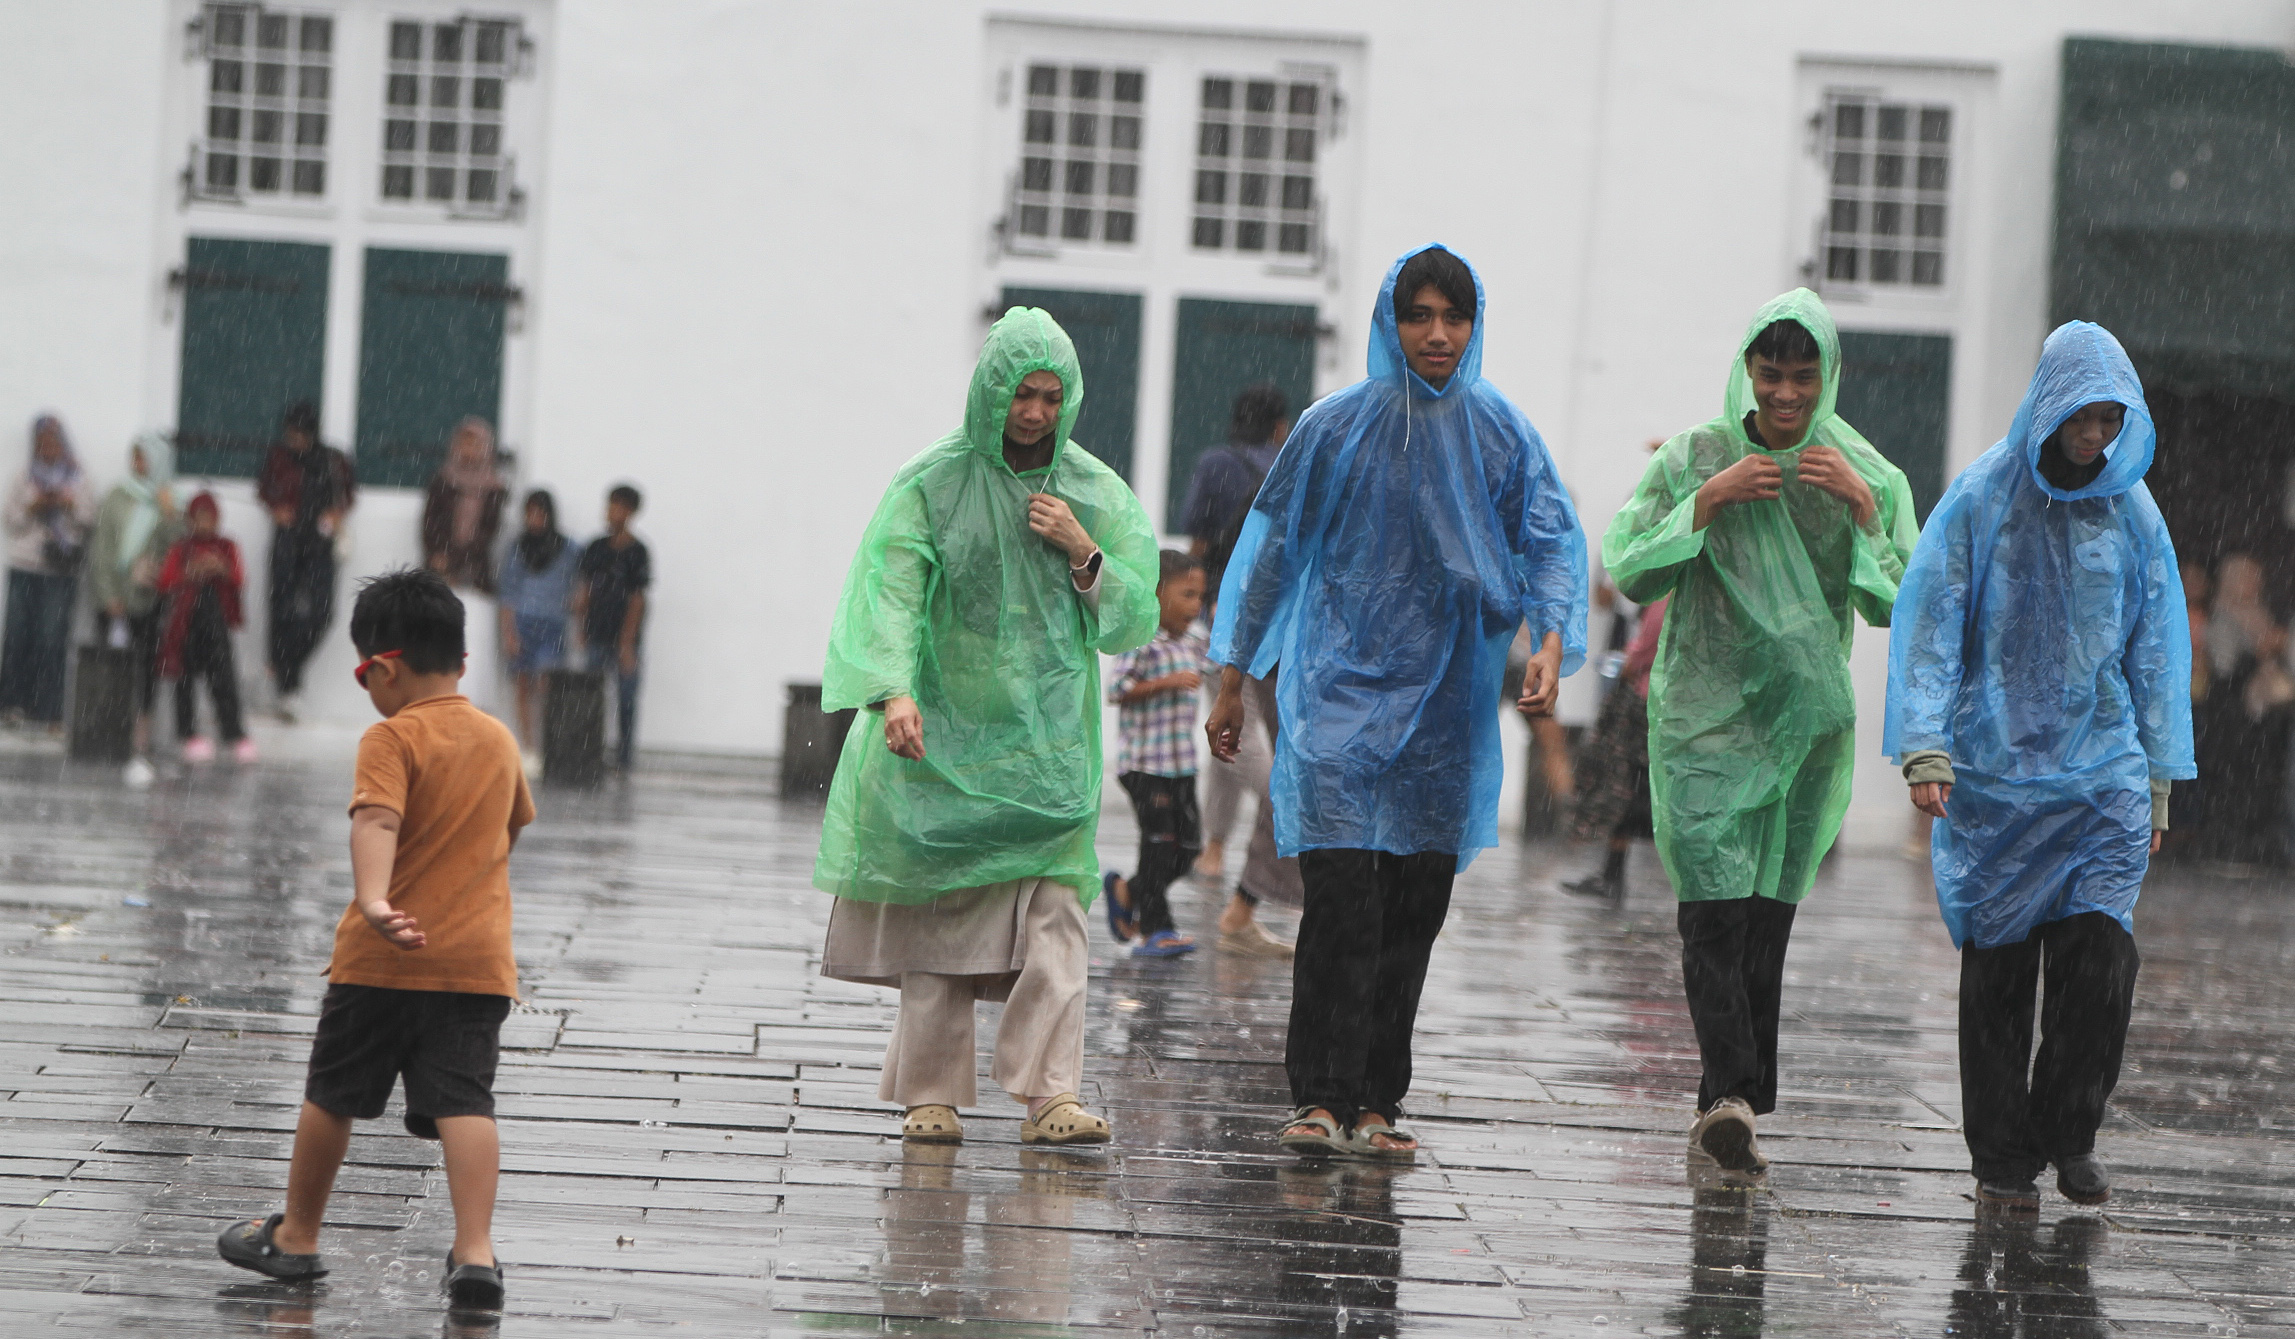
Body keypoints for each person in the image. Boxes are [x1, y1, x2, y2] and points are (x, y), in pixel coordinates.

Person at [1206, 244, 1588, 1160]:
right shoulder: (1335, 427)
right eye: (1418, 315)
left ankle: (1378, 1096)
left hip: (1445, 707)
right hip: (1336, 690)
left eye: (1452, 317)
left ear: (1473, 324)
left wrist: (1549, 637)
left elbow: (1549, 533)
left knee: (1413, 902)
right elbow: (1271, 552)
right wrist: (1230, 675)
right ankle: (1320, 1094)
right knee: (1340, 897)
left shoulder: (1499, 433)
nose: (1436, 334)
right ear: (1389, 321)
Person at [814, 306, 1158, 1147]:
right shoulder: (932, 483)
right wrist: (894, 689)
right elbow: (888, 591)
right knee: (939, 920)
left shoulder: (1093, 492)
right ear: (989, 392)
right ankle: (929, 1090)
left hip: (1046, 751)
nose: (1034, 413)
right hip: (945, 740)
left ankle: (1053, 1093)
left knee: (1056, 921)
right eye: (1019, 395)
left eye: (1049, 396)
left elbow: (1130, 616)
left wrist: (1084, 552)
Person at [1604, 289, 1916, 1178]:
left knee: (1760, 924)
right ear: (1747, 368)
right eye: (1771, 373)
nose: (1785, 394)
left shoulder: (1865, 471)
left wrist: (1860, 510)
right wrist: (1705, 500)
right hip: (1704, 719)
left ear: (1826, 375)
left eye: (1802, 376)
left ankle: (1726, 1102)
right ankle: (1735, 1092)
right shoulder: (1698, 455)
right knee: (1708, 908)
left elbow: (1901, 600)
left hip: (1801, 729)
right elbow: (1628, 563)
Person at [1886, 322, 2193, 1210]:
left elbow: (2155, 643)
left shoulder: (2132, 512)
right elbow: (1934, 620)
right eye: (2082, 419)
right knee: (1997, 976)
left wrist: (2159, 774)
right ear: (2050, 408)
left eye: (2109, 421)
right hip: (1995, 782)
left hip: (2101, 775)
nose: (2095, 439)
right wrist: (1923, 741)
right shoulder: (1981, 499)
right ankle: (2000, 1157)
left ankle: (2070, 1127)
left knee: (2100, 961)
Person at [215, 568, 532, 1313]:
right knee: (466, 1104)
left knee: (332, 1093)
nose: (367, 690)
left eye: (364, 675)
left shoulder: (390, 736)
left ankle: (295, 1235)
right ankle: (476, 1253)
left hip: (379, 959)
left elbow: (377, 820)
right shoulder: (496, 737)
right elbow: (513, 824)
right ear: (458, 659)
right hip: (474, 965)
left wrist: (376, 898)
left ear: (384, 667)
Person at [1183, 385, 1289, 883]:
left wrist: (1194, 601)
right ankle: (1216, 850)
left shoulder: (1214, 463)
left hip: (1224, 614)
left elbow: (1200, 542)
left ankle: (1286, 822)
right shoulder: (1291, 466)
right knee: (1233, 736)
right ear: (1278, 427)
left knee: (1231, 735)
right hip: (1279, 627)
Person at [1102, 550, 1211, 958]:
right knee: (1160, 842)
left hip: (1181, 764)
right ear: (1158, 592)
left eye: (1199, 597)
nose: (1194, 605)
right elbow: (1116, 691)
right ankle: (1155, 929)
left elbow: (1221, 665)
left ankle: (1127, 889)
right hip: (1145, 765)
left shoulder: (1196, 639)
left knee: (1188, 849)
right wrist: (1165, 682)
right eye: (1186, 594)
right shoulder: (1142, 638)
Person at [87, 432, 182, 780]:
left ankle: (140, 736)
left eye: (145, 458)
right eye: (136, 456)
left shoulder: (170, 500)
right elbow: (103, 547)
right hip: (114, 598)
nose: (139, 464)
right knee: (112, 666)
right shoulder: (118, 496)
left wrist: (169, 512)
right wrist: (109, 593)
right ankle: (107, 731)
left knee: (147, 669)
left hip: (149, 600)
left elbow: (177, 549)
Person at [1560, 595, 1667, 901]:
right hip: (1660, 704)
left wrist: (1627, 660)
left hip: (1646, 703)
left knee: (1624, 784)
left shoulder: (1667, 593)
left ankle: (1612, 874)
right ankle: (1612, 873)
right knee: (1633, 786)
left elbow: (1647, 645)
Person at [257, 401, 356, 721]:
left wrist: (335, 513)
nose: (294, 439)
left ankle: (285, 666)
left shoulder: (332, 459)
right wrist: (277, 508)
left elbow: (347, 494)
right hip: (288, 539)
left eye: (299, 433)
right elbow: (264, 489)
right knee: (281, 607)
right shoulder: (278, 457)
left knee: (322, 613)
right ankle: (288, 689)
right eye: (290, 433)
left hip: (320, 542)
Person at [0, 414, 95, 727]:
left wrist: (67, 505)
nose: (48, 446)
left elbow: (89, 518)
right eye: (42, 441)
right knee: (18, 636)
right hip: (25, 566)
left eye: (53, 440)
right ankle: (12, 705)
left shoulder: (77, 478)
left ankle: (49, 709)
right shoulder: (24, 477)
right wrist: (34, 506)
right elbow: (10, 522)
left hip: (59, 570)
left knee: (51, 640)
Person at [158, 493, 254, 763]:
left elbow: (238, 578)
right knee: (184, 679)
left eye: (209, 518)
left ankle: (233, 734)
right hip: (186, 625)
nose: (204, 524)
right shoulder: (182, 548)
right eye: (198, 518)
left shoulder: (226, 546)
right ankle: (187, 733)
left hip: (216, 626)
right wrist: (191, 572)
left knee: (223, 679)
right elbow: (166, 582)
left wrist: (219, 568)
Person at [496, 489, 579, 769]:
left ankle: (549, 745)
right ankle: (528, 748)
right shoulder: (518, 548)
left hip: (553, 624)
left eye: (540, 513)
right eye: (530, 513)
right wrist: (509, 632)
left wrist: (578, 606)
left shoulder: (568, 549)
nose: (535, 519)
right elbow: (507, 594)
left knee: (547, 686)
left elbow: (580, 582)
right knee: (523, 686)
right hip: (523, 623)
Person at [572, 485, 650, 773]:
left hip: (624, 639)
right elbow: (585, 591)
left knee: (626, 699)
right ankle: (589, 751)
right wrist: (581, 627)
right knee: (591, 697)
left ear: (630, 512)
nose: (610, 512)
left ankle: (624, 757)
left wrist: (627, 643)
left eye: (617, 507)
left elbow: (637, 599)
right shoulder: (595, 548)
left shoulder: (638, 553)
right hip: (597, 634)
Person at [421, 417, 508, 593]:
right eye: (465, 444)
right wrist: (439, 554)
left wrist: (458, 560)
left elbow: (489, 529)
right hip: (438, 564)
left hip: (476, 569)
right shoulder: (443, 480)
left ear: (485, 448)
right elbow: (431, 520)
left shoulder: (494, 487)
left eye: (475, 445)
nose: (469, 451)